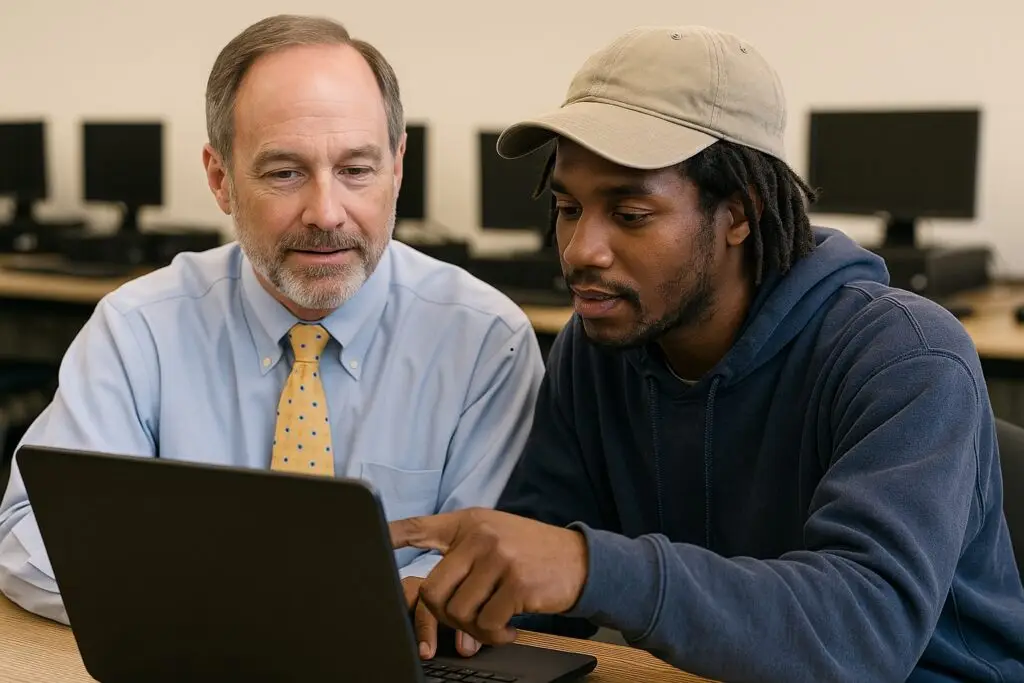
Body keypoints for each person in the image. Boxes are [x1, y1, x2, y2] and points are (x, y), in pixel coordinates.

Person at [390, 25, 1024, 682]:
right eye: (568, 207)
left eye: (630, 213)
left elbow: (864, 630)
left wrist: (585, 565)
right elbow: (540, 577)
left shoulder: (904, 356)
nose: (580, 250)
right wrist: (461, 608)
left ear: (740, 214)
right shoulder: (599, 345)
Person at [0, 14, 543, 646]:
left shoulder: (485, 343)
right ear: (220, 178)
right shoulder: (138, 329)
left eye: (357, 170)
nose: (326, 212)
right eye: (284, 172)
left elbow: (485, 566)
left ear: (397, 166)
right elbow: (30, 533)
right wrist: (242, 609)